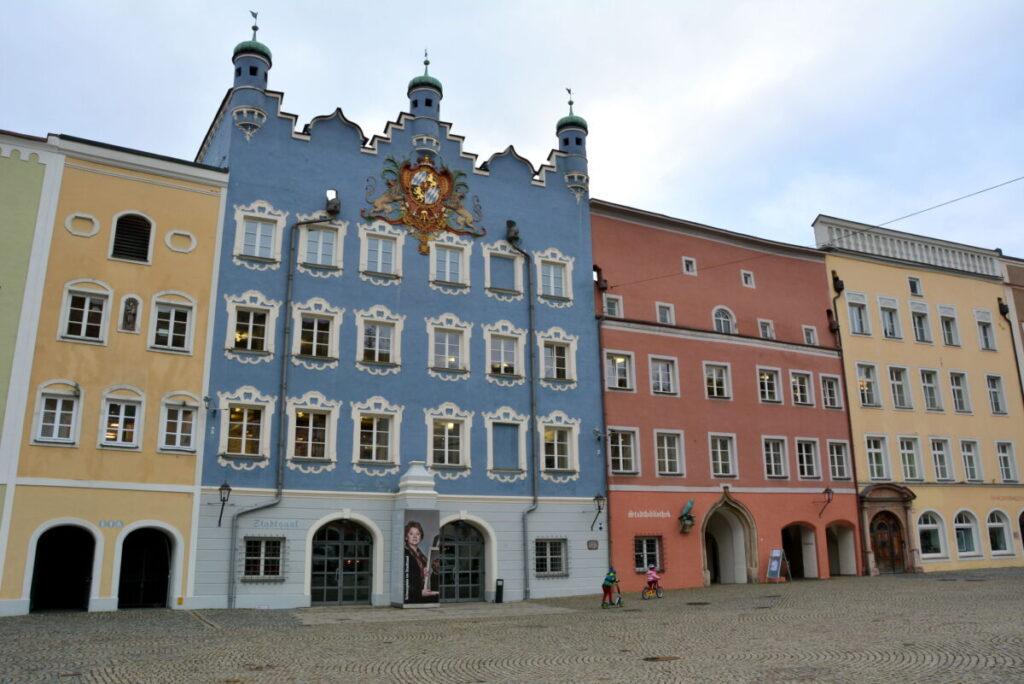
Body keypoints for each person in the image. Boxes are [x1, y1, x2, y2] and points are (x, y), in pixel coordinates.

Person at [404, 521, 439, 603]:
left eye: (418, 534)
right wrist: (418, 592)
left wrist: (424, 573)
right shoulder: (404, 553)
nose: (415, 536)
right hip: (412, 596)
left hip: (422, 592)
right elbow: (403, 580)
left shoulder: (422, 556)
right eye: (411, 534)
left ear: (421, 537)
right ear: (406, 537)